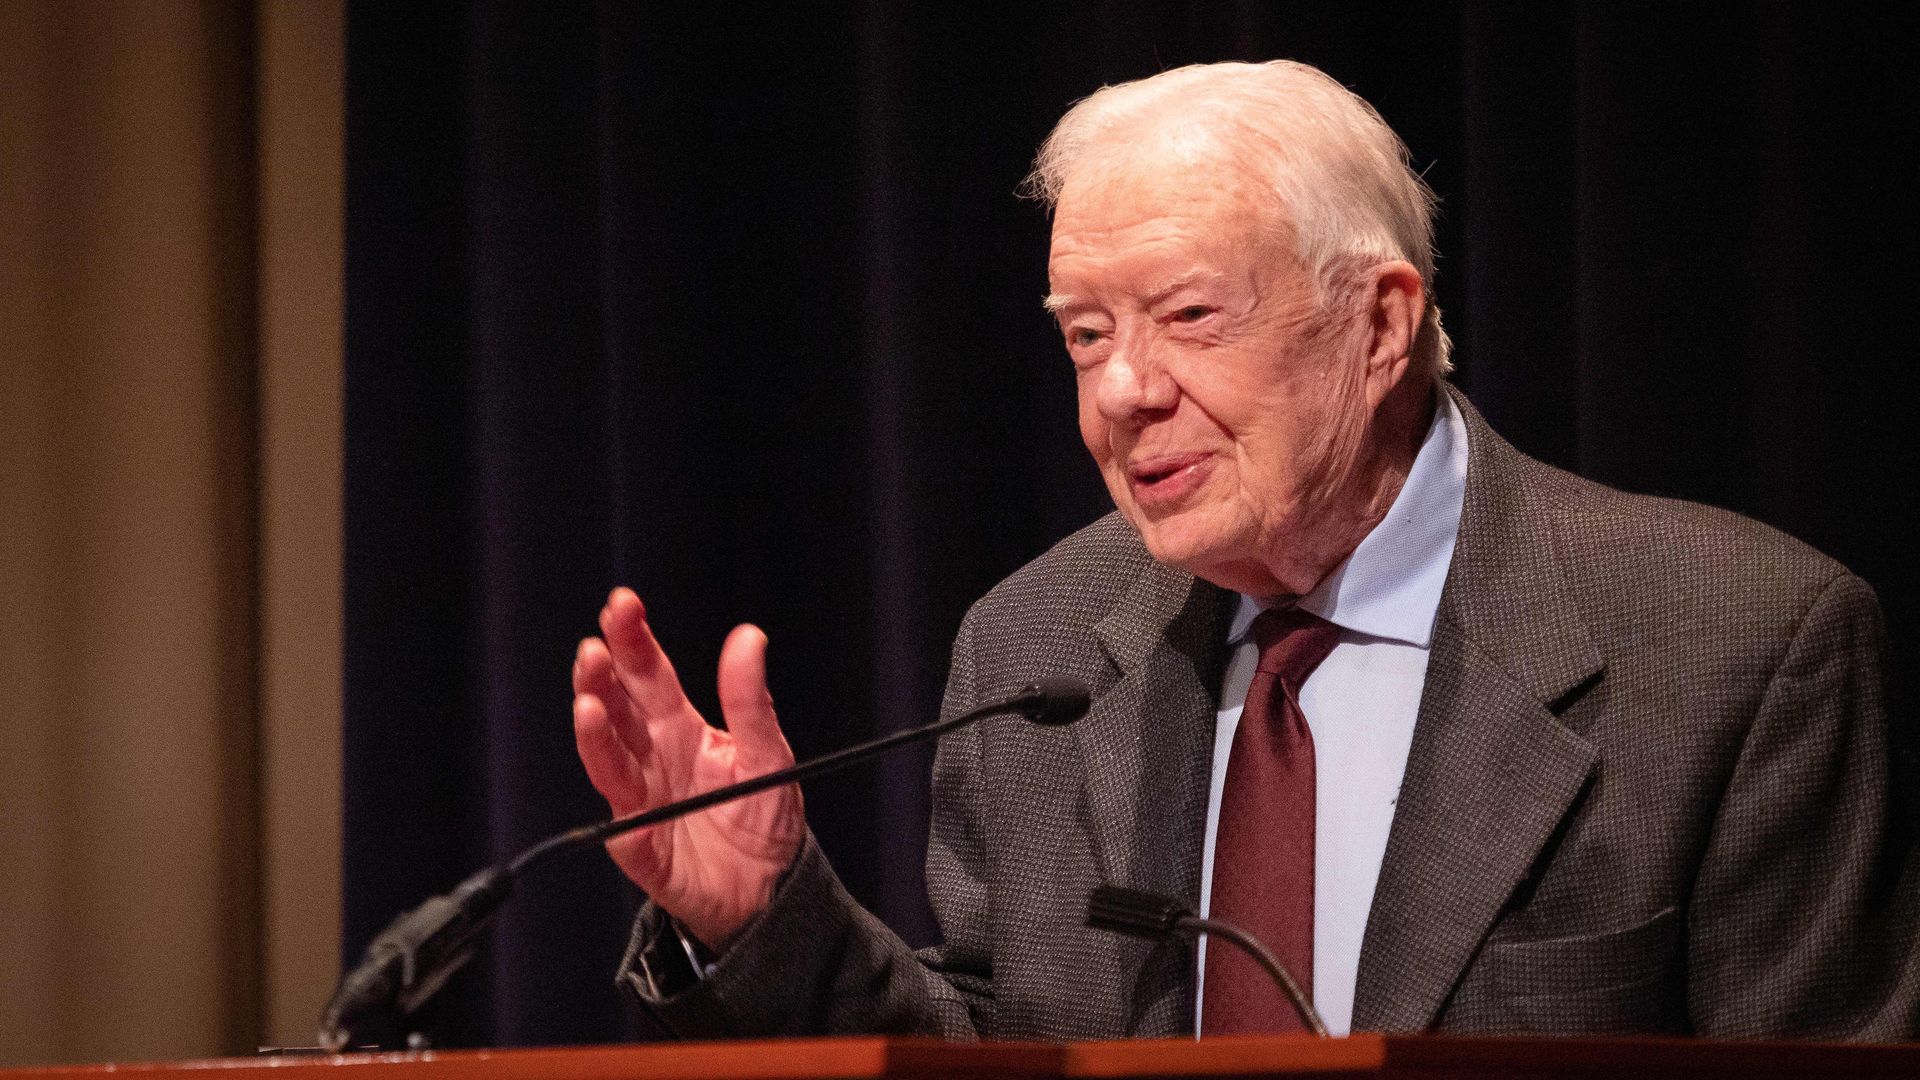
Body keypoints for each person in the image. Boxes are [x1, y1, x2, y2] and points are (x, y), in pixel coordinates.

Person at [570, 60, 1917, 1040]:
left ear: (1381, 325)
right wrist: (761, 922)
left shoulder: (1738, 648)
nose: (1120, 391)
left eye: (1188, 315)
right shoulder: (1036, 645)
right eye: (1085, 334)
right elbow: (986, 1054)